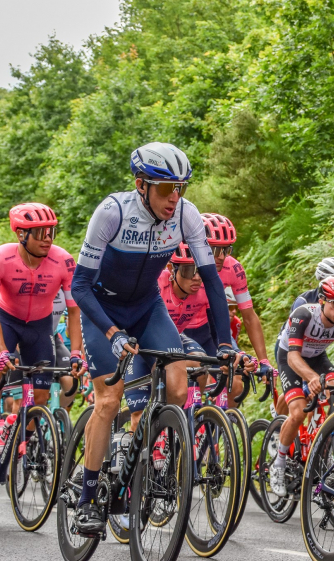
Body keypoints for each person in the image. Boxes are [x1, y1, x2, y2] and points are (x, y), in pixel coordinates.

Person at [70, 142, 236, 534]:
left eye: (180, 188)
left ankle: (142, 457)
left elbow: (212, 281)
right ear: (141, 185)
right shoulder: (112, 212)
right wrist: (110, 333)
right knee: (109, 400)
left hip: (147, 308)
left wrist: (226, 342)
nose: (174, 198)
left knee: (179, 389)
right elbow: (79, 286)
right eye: (166, 189)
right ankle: (88, 499)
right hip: (102, 310)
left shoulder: (186, 215)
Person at [0, 203, 86, 480]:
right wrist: (1, 351)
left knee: (41, 397)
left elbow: (74, 311)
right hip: (6, 321)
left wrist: (75, 352)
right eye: (40, 232)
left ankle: (15, 445)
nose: (48, 237)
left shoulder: (63, 261)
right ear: (21, 235)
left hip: (40, 326)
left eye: (51, 231)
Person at [269, 276, 334, 497]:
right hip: (290, 356)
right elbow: (293, 358)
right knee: (297, 412)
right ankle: (278, 463)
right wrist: (311, 378)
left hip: (317, 356)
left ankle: (323, 443)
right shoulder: (304, 315)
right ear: (322, 300)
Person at [181, 212, 274, 398]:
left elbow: (249, 316)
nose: (222, 257)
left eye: (227, 249)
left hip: (208, 329)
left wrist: (264, 360)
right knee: (185, 387)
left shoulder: (233, 268)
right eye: (216, 250)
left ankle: (221, 424)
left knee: (235, 382)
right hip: (179, 328)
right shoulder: (181, 264)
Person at [274, 257, 334, 415]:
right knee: (304, 394)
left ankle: (320, 434)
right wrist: (307, 379)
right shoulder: (304, 302)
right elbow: (295, 338)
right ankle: (278, 420)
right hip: (292, 347)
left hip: (315, 350)